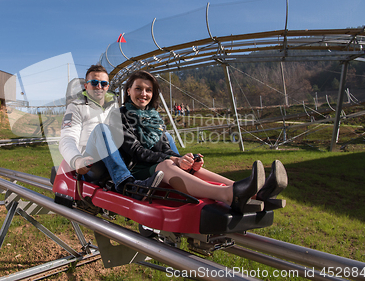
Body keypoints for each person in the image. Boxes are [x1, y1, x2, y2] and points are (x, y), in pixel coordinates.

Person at [118, 70, 288, 213]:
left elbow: (165, 149)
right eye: (138, 88)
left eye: (148, 90)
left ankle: (258, 193)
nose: (144, 94)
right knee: (167, 165)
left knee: (189, 168)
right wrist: (173, 160)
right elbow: (136, 151)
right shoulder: (119, 116)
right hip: (137, 171)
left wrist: (185, 159)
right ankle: (227, 195)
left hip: (156, 165)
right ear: (128, 91)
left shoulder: (155, 118)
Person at [58, 64, 164, 200]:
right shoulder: (76, 107)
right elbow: (67, 139)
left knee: (162, 134)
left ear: (108, 86)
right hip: (91, 162)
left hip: (119, 158)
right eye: (94, 83)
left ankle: (179, 169)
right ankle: (126, 185)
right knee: (101, 129)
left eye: (103, 83)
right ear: (86, 86)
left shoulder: (115, 107)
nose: (99, 87)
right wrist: (77, 160)